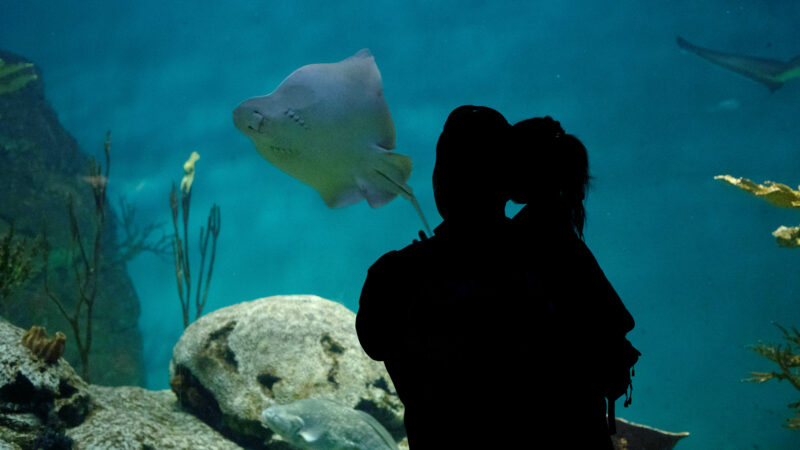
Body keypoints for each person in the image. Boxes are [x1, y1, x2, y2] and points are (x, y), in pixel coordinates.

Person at [356, 105, 532, 448]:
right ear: (510, 183)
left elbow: (374, 342)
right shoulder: (550, 259)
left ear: (439, 184)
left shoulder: (394, 276)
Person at [509, 117, 637, 449]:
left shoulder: (532, 234)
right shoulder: (556, 227)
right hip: (579, 409)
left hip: (555, 412)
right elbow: (616, 317)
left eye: (510, 157)